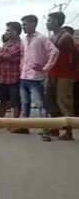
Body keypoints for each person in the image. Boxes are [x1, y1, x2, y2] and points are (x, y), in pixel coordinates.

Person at [19, 15, 59, 131]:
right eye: (23, 25)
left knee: (41, 104)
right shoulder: (24, 40)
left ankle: (45, 129)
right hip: (24, 76)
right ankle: (23, 127)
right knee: (25, 104)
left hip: (36, 78)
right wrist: (21, 68)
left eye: (26, 24)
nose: (24, 27)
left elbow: (54, 52)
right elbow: (23, 56)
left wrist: (46, 67)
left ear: (33, 24)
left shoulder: (41, 38)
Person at [43, 12, 78, 141]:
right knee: (51, 102)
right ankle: (54, 128)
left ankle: (68, 132)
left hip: (64, 74)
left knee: (64, 103)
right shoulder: (53, 37)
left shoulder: (66, 37)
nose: (47, 23)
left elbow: (75, 55)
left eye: (49, 21)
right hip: (52, 73)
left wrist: (74, 73)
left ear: (57, 21)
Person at [0, 22, 22, 122]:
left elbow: (8, 56)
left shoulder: (20, 44)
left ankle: (15, 122)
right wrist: (0, 55)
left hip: (14, 77)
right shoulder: (6, 44)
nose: (7, 32)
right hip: (3, 77)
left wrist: (0, 54)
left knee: (15, 102)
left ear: (16, 31)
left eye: (9, 30)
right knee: (2, 100)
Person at [62, 26, 79, 117]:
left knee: (75, 99)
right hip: (65, 76)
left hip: (75, 77)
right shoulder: (62, 48)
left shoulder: (75, 48)